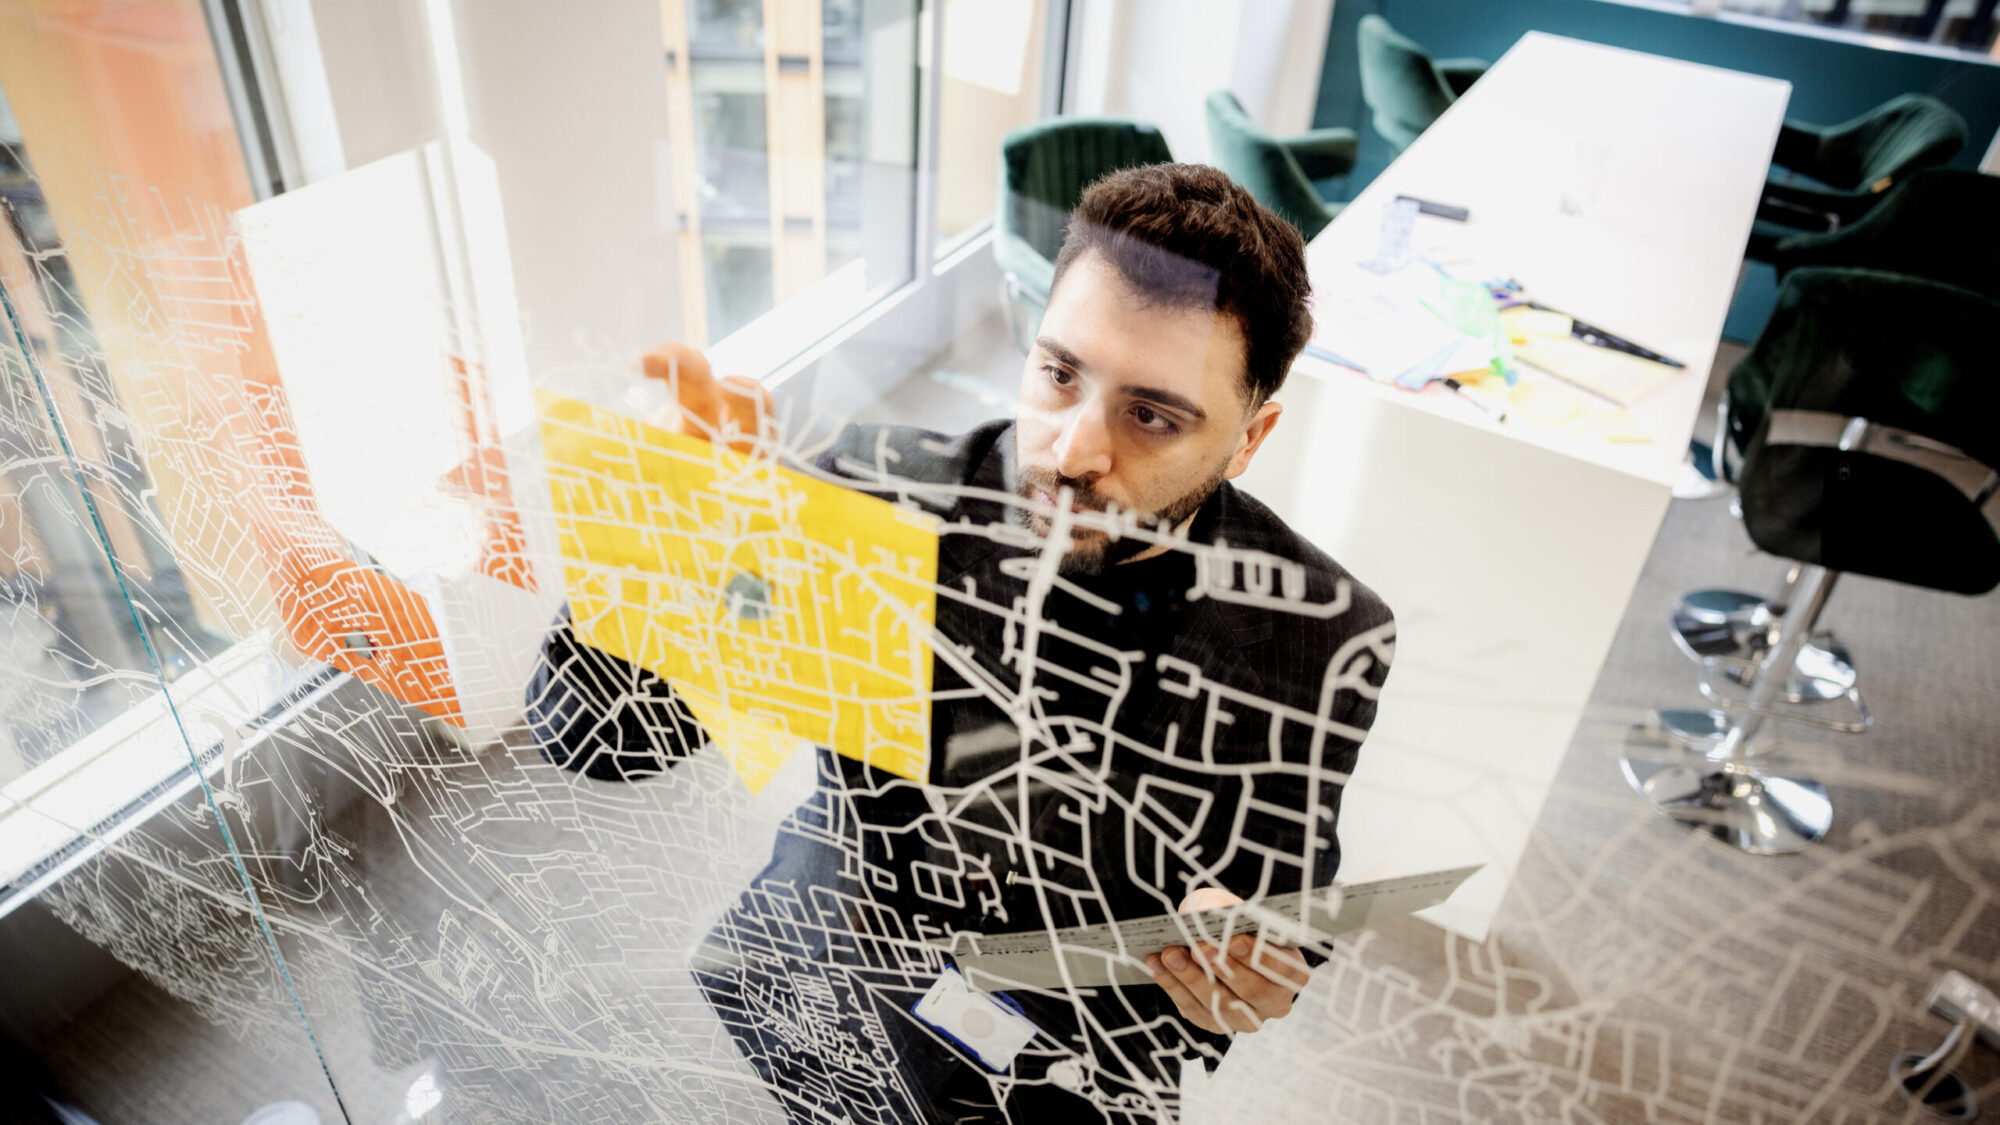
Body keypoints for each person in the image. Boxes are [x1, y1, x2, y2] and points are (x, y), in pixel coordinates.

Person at [525, 163, 1395, 1123]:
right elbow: (598, 739)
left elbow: (1282, 878)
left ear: (1250, 438)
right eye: (1059, 374)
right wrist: (661, 544)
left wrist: (1266, 961)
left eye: (1150, 415)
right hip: (832, 984)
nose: (1071, 452)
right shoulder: (876, 502)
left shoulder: (1320, 630)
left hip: (1073, 1074)